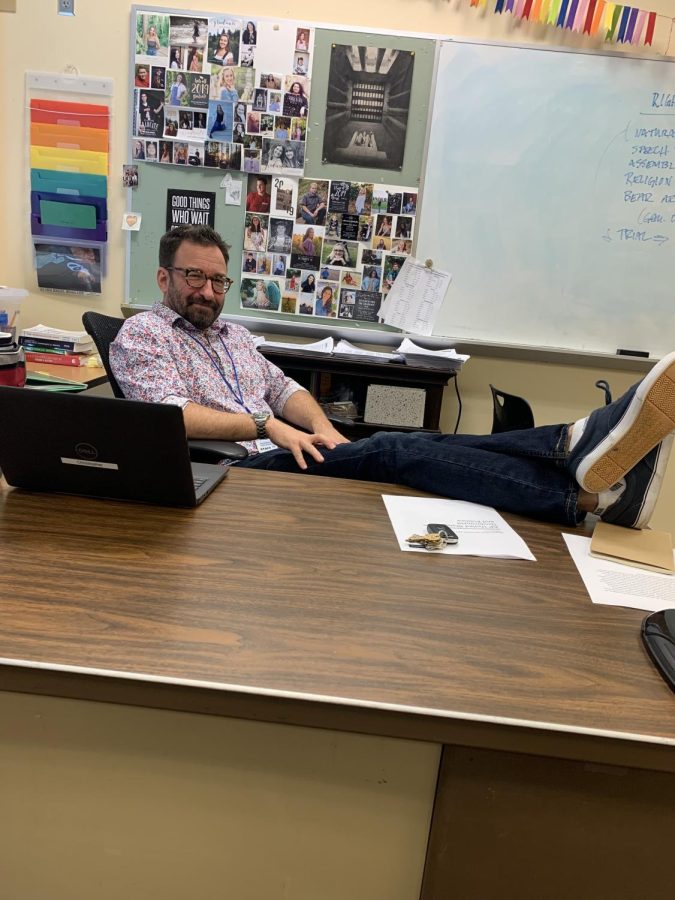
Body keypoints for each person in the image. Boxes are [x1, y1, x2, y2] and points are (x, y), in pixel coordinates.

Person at [111, 224, 675, 530]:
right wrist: (265, 424)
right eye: (193, 277)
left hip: (285, 452)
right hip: (235, 476)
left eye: (218, 281)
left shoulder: (231, 334)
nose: (208, 291)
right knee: (391, 452)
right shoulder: (142, 336)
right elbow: (169, 417)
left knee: (418, 444)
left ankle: (586, 484)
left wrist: (320, 426)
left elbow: (288, 389)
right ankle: (570, 454)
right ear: (164, 276)